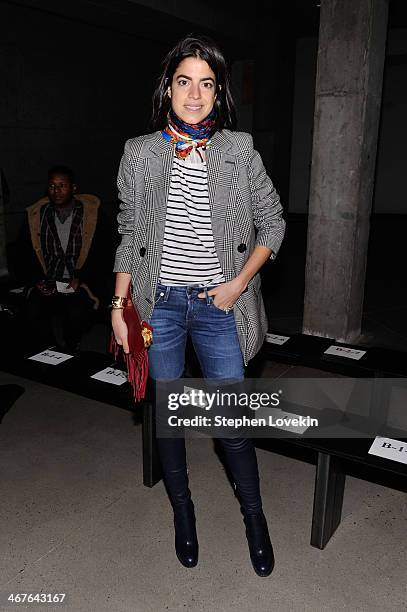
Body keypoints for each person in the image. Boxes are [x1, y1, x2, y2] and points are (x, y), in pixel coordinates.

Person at [111, 35, 285, 576]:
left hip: (218, 307)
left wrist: (236, 287)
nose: (194, 93)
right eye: (184, 81)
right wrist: (118, 306)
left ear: (218, 93)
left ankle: (254, 518)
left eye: (206, 84)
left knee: (231, 425)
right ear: (168, 88)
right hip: (158, 306)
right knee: (168, 422)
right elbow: (129, 234)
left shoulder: (239, 149)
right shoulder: (140, 153)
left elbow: (274, 222)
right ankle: (183, 516)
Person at [14, 165, 111, 352]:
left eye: (62, 185)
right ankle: (49, 351)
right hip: (49, 280)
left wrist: (82, 279)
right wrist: (36, 280)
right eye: (52, 186)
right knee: (33, 309)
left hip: (81, 282)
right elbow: (23, 254)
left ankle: (71, 349)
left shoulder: (92, 216)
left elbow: (104, 254)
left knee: (77, 312)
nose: (56, 191)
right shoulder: (37, 216)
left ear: (73, 188)